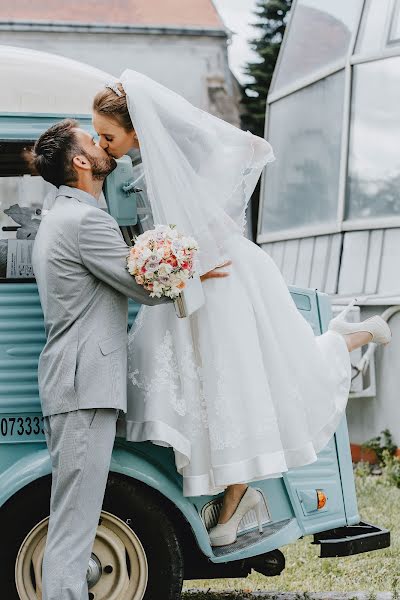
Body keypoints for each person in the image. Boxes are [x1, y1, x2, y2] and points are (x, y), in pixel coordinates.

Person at [92, 71, 391, 548]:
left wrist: (202, 243)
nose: (102, 144)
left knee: (243, 390)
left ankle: (348, 338)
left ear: (135, 127)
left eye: (108, 136)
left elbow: (248, 148)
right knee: (199, 394)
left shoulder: (185, 153)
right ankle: (221, 501)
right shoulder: (143, 166)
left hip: (225, 278)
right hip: (188, 285)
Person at [30, 119, 226, 599]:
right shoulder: (85, 220)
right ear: (80, 162)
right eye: (90, 142)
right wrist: (193, 270)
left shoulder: (61, 216)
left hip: (75, 380)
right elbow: (143, 285)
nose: (100, 146)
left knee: (75, 513)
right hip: (83, 382)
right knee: (76, 520)